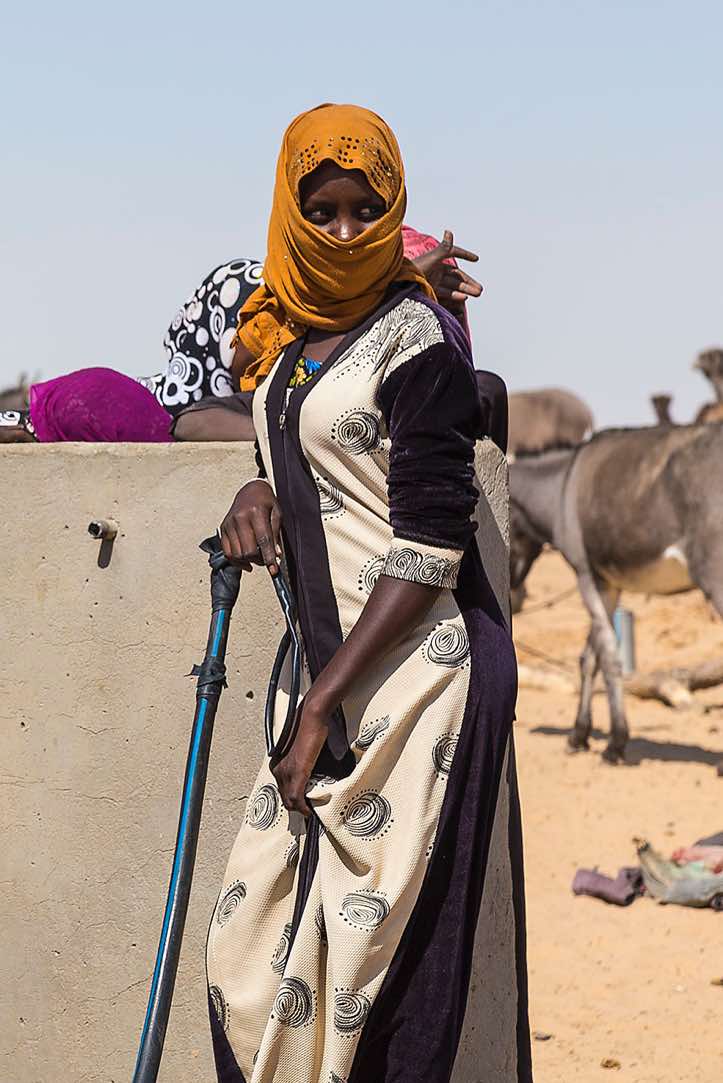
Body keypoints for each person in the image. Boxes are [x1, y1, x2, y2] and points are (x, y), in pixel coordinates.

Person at [207, 103, 528, 1083]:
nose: (345, 232)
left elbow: (430, 543)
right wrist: (260, 485)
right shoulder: (294, 341)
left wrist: (320, 706)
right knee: (248, 957)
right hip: (330, 683)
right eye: (327, 212)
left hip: (417, 686)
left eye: (365, 210)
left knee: (382, 987)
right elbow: (299, 440)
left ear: (393, 210)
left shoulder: (418, 341)